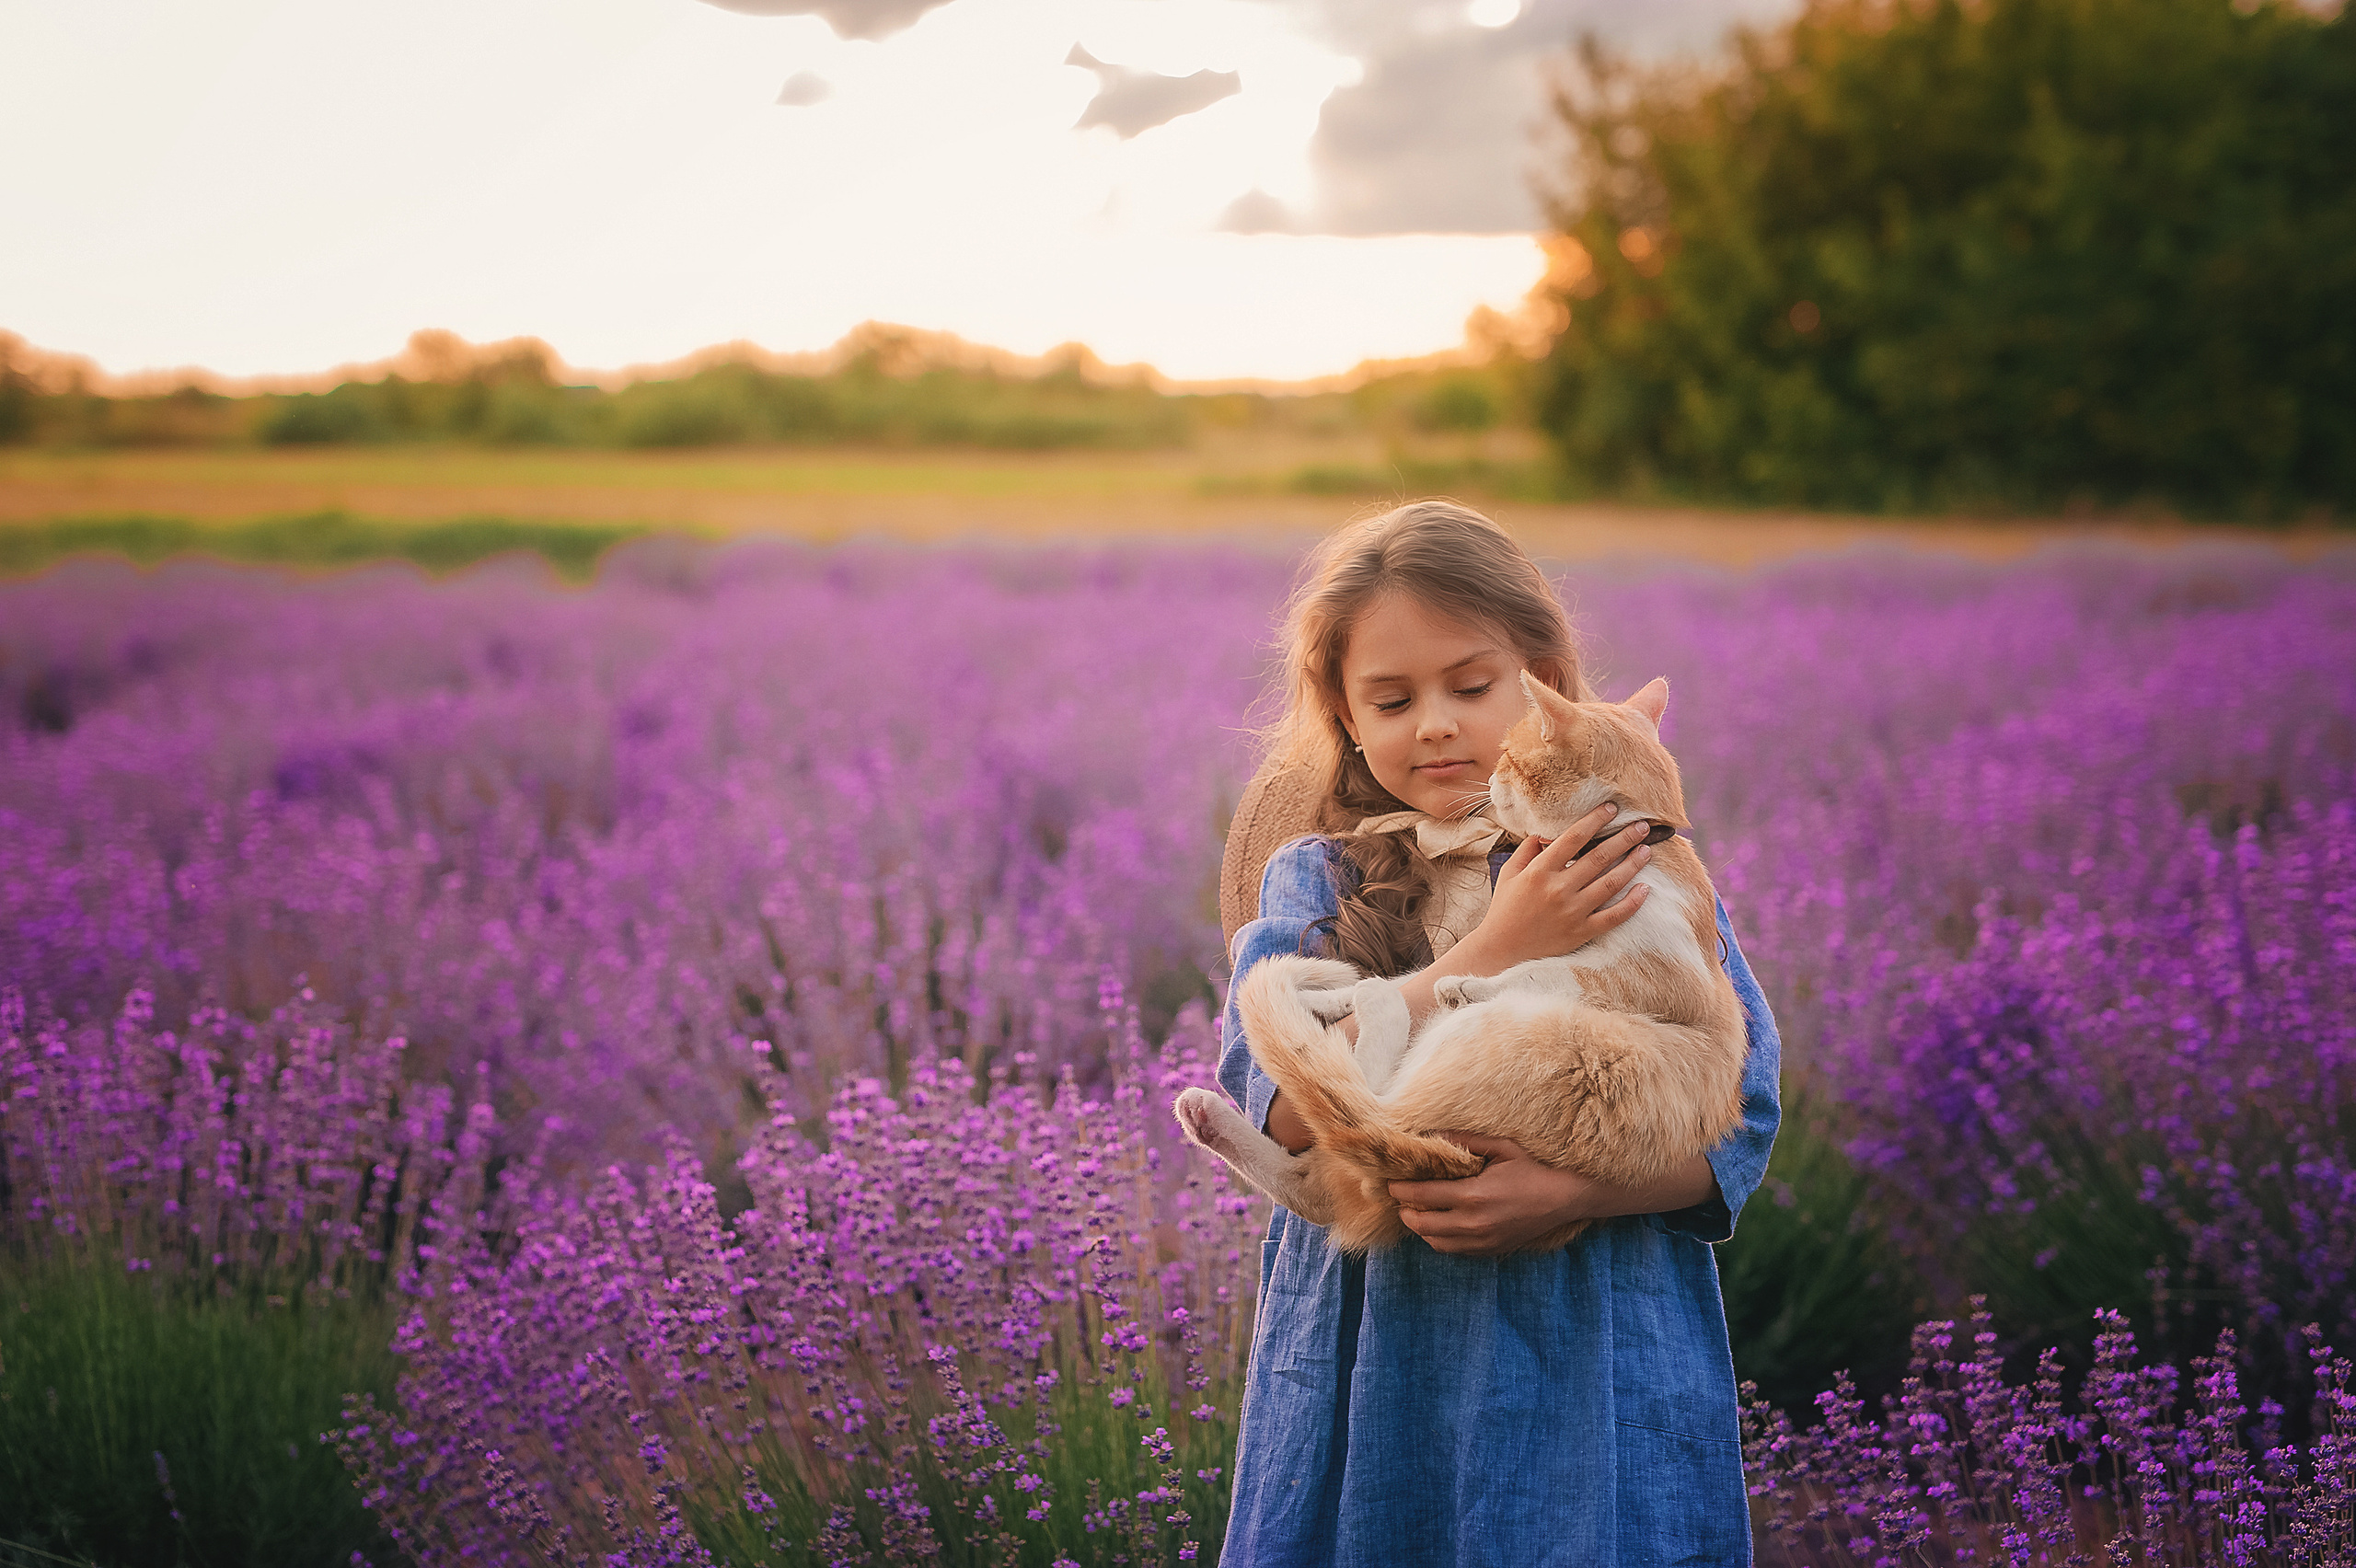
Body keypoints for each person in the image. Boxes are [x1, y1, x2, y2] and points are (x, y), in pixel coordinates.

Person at [1214, 500, 1782, 1567]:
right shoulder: (1318, 877)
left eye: (1471, 688)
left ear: (1547, 689)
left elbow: (1740, 1121)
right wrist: (1493, 951)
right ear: (1343, 717)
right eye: (1390, 699)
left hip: (1586, 1338)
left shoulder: (1628, 865)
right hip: (1380, 1338)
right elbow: (1280, 1107)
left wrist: (1574, 1193)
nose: (1434, 724)